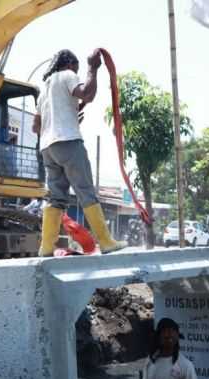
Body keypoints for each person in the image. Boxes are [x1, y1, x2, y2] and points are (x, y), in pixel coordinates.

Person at [32, 48, 126, 256]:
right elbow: (88, 95)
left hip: (48, 149)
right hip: (68, 142)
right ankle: (106, 242)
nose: (78, 71)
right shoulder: (67, 75)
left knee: (56, 197)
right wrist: (92, 68)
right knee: (85, 191)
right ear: (69, 64)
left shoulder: (44, 90)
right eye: (77, 67)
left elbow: (35, 127)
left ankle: (46, 248)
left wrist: (70, 116)